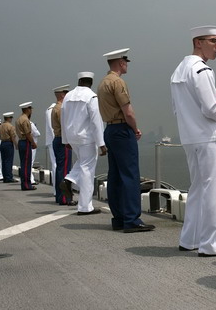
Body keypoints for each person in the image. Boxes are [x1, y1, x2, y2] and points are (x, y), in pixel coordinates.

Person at [170, 25, 216, 257]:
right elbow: (211, 108)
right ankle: (212, 243)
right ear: (198, 42)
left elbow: (177, 109)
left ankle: (189, 239)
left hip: (190, 137)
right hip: (208, 137)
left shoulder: (179, 70)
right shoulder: (202, 70)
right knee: (214, 190)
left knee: (198, 188)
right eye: (213, 41)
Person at [97, 48, 154, 233]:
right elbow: (128, 111)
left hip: (110, 129)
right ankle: (132, 219)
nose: (127, 64)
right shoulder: (118, 82)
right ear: (121, 62)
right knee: (130, 175)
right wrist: (134, 128)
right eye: (126, 61)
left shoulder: (102, 83)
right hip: (122, 130)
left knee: (115, 175)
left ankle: (119, 218)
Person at [61, 72, 107, 215]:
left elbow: (63, 118)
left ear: (79, 80)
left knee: (82, 163)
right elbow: (96, 121)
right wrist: (101, 143)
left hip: (72, 137)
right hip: (87, 138)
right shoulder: (92, 97)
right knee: (87, 170)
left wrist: (65, 140)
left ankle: (69, 179)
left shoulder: (67, 97)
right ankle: (85, 207)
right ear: (91, 82)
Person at [50, 85, 74, 205]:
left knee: (61, 169)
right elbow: (65, 126)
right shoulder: (60, 108)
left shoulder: (56, 108)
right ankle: (64, 198)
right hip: (62, 140)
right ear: (62, 95)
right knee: (64, 169)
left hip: (58, 139)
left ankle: (60, 196)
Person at [15, 102, 37, 191]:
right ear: (28, 109)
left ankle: (25, 184)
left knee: (24, 163)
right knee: (26, 165)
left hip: (21, 141)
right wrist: (33, 143)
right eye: (30, 109)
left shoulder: (18, 119)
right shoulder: (25, 120)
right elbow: (28, 133)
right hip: (25, 142)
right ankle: (27, 185)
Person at [0, 112, 17, 183]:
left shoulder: (0, 126)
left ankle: (5, 177)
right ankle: (9, 177)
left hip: (2, 143)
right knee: (9, 161)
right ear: (9, 118)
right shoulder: (10, 126)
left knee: (4, 161)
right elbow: (13, 136)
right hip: (8, 143)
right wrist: (16, 145)